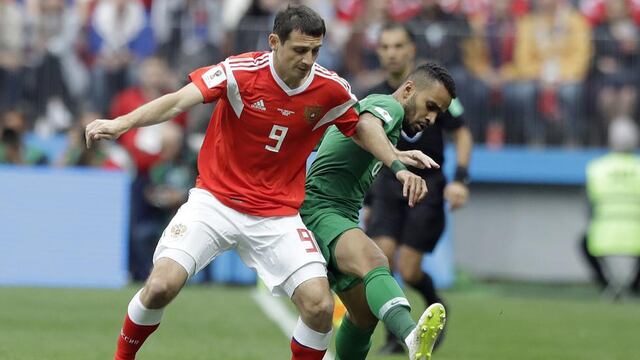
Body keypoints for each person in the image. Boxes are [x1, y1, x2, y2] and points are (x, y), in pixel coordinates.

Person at [85, 5, 429, 360]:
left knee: (319, 306)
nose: (308, 59)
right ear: (274, 42)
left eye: (315, 50)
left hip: (277, 215)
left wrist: (395, 162)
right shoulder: (239, 72)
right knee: (160, 286)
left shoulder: (331, 88)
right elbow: (177, 102)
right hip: (215, 202)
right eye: (299, 50)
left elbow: (360, 125)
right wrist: (122, 123)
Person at [301, 62, 456, 360]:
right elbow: (365, 125)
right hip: (320, 210)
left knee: (363, 317)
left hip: (336, 214)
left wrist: (396, 152)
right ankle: (413, 336)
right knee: (375, 259)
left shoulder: (390, 127)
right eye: (430, 106)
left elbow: (359, 135)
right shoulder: (388, 106)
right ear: (409, 89)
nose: (432, 119)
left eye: (439, 113)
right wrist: (398, 168)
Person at [363, 22, 473, 355]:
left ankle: (435, 306)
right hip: (386, 184)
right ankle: (396, 333)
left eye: (398, 46)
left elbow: (462, 133)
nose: (391, 53)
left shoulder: (436, 91)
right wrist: (366, 198)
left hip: (427, 185)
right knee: (381, 263)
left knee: (409, 269)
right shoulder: (377, 95)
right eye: (384, 47)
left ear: (411, 50)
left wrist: (460, 179)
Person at [581, 118, 640, 297]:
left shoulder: (596, 168)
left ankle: (607, 285)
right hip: (637, 235)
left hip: (602, 235)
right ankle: (634, 286)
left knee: (583, 243)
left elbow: (589, 205)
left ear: (610, 141)